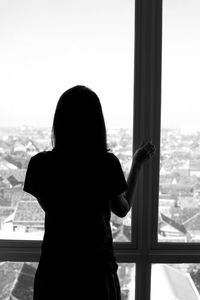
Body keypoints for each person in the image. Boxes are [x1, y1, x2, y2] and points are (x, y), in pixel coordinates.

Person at [23, 85, 155, 300]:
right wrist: (137, 164)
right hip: (97, 270)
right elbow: (122, 210)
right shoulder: (105, 163)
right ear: (96, 124)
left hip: (55, 270)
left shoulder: (40, 165)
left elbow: (53, 208)